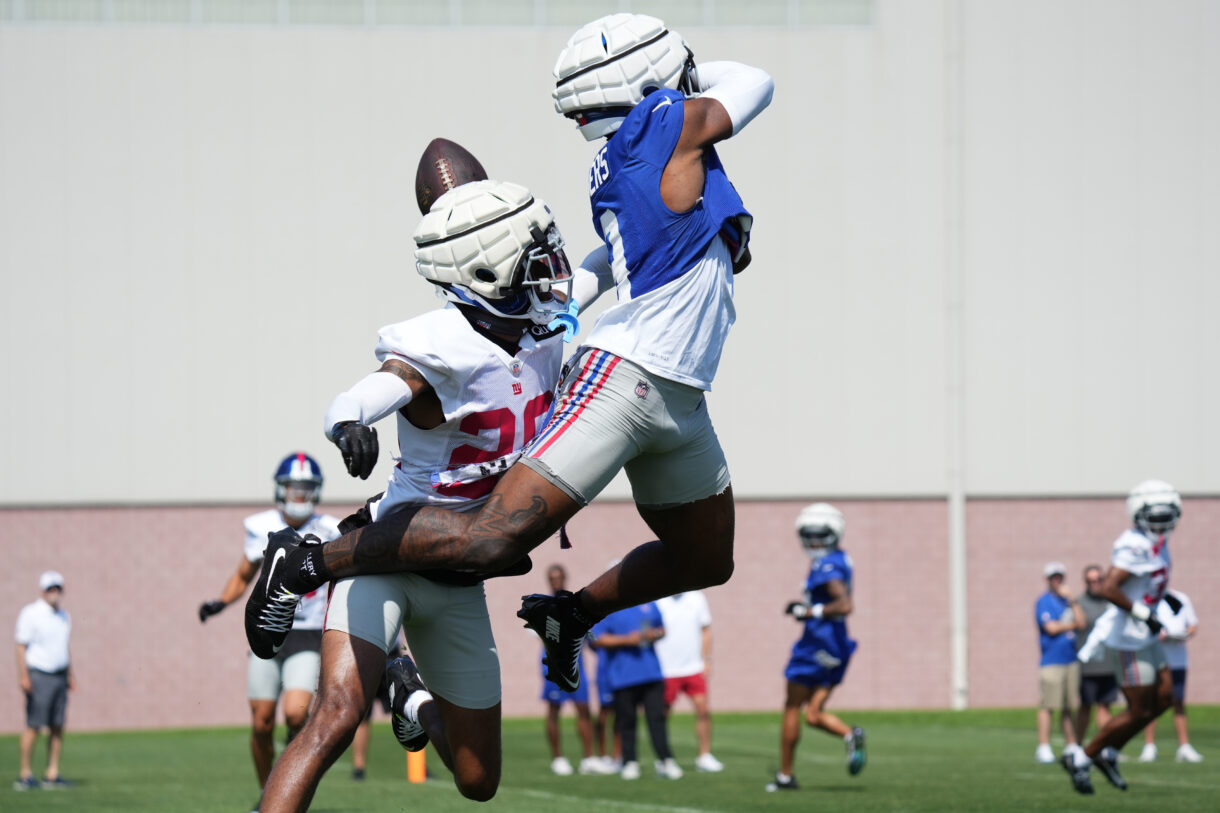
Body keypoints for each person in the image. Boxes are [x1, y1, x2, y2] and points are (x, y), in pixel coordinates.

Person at [243, 13, 775, 698]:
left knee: (706, 558)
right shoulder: (654, 122)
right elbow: (754, 82)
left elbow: (635, 257)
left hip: (679, 390)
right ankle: (306, 561)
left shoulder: (639, 153)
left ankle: (571, 613)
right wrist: (681, 78)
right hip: (629, 375)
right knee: (491, 540)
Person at [255, 179, 585, 811]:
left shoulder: (542, 320)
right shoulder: (441, 343)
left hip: (461, 576)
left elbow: (602, 268)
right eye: (530, 254)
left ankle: (411, 698)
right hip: (387, 553)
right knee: (336, 715)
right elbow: (371, 390)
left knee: (477, 781)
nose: (549, 268)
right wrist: (348, 421)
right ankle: (297, 564)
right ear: (485, 269)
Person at [198, 453, 339, 792]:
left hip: (307, 632)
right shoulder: (261, 527)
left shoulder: (330, 529)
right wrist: (220, 601)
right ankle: (268, 794)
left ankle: (291, 774)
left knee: (294, 713)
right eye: (294, 487)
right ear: (280, 489)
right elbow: (243, 575)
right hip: (265, 630)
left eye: (307, 488)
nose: (300, 495)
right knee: (261, 722)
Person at [1064, 480, 1182, 794]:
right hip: (1129, 639)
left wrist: (1164, 598)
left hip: (1144, 636)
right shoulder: (1134, 543)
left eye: (1166, 515)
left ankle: (1110, 753)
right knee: (1139, 710)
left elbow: (1145, 580)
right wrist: (1146, 615)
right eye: (1154, 516)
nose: (1161, 522)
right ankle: (1083, 757)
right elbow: (1109, 588)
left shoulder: (1157, 542)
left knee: (1166, 699)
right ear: (1138, 514)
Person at [768, 504, 866, 792]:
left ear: (833, 533)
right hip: (838, 647)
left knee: (791, 706)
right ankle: (850, 735)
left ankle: (785, 776)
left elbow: (845, 605)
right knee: (813, 714)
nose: (813, 541)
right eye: (808, 535)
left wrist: (809, 613)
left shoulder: (826, 565)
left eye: (819, 534)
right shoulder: (840, 558)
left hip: (817, 644)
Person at [590, 599, 682, 780]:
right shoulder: (609, 607)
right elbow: (595, 638)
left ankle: (666, 761)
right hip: (623, 676)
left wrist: (653, 634)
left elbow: (661, 629)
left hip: (651, 673)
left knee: (657, 719)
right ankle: (630, 762)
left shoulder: (649, 603)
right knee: (626, 721)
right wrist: (626, 640)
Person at [538, 564, 609, 775]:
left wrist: (595, 640)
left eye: (559, 578)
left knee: (584, 709)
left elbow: (589, 632)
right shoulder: (543, 605)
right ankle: (558, 758)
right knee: (554, 709)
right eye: (552, 579)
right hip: (553, 661)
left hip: (576, 663)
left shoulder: (575, 604)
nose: (556, 582)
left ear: (565, 578)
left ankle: (589, 758)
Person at [14, 571, 74, 791]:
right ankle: (25, 773)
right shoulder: (31, 613)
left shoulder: (64, 616)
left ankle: (52, 772)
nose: (55, 593)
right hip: (39, 675)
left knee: (57, 726)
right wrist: (23, 676)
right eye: (50, 588)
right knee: (34, 725)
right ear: (43, 590)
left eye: (58, 588)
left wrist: (70, 674)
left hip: (59, 675)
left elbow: (63, 648)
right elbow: (21, 645)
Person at [655, 590, 723, 772]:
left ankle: (704, 755)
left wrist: (706, 659)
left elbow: (706, 630)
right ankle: (663, 757)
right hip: (666, 669)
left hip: (693, 667)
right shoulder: (658, 599)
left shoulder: (697, 598)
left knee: (703, 709)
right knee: (662, 714)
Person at [1138, 587, 1202, 763]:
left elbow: (1192, 625)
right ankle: (1149, 746)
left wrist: (1184, 634)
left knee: (1178, 701)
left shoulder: (1180, 598)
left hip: (1177, 660)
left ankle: (1184, 746)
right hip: (1154, 659)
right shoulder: (1146, 599)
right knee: (1152, 703)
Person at [1034, 561, 1085, 763]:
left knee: (1068, 706)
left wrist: (1072, 600)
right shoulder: (1044, 601)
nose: (1057, 581)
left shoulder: (1068, 601)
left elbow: (1082, 622)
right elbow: (1051, 628)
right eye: (1053, 577)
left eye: (1059, 577)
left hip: (1070, 659)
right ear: (1047, 580)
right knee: (1048, 705)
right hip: (1051, 661)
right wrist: (1070, 625)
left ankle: (1071, 745)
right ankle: (1043, 746)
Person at [1074, 564, 1119, 744]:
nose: (1095, 583)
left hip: (1110, 663)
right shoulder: (1080, 602)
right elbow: (1076, 624)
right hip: (1088, 665)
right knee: (1085, 706)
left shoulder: (1112, 600)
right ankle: (1077, 746)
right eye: (1090, 580)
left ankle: (1105, 746)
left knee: (1105, 707)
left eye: (1099, 579)